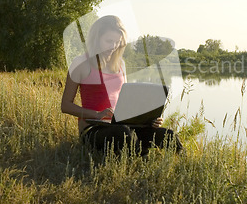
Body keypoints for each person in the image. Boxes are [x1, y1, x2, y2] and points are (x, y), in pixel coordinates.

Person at [61, 15, 182, 157]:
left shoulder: (120, 64)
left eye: (118, 42)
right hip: (93, 129)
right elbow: (65, 105)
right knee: (122, 133)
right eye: (109, 41)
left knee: (168, 135)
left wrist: (148, 120)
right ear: (96, 38)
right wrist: (97, 115)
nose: (113, 46)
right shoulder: (80, 63)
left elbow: (125, 101)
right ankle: (139, 157)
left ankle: (177, 161)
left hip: (122, 126)